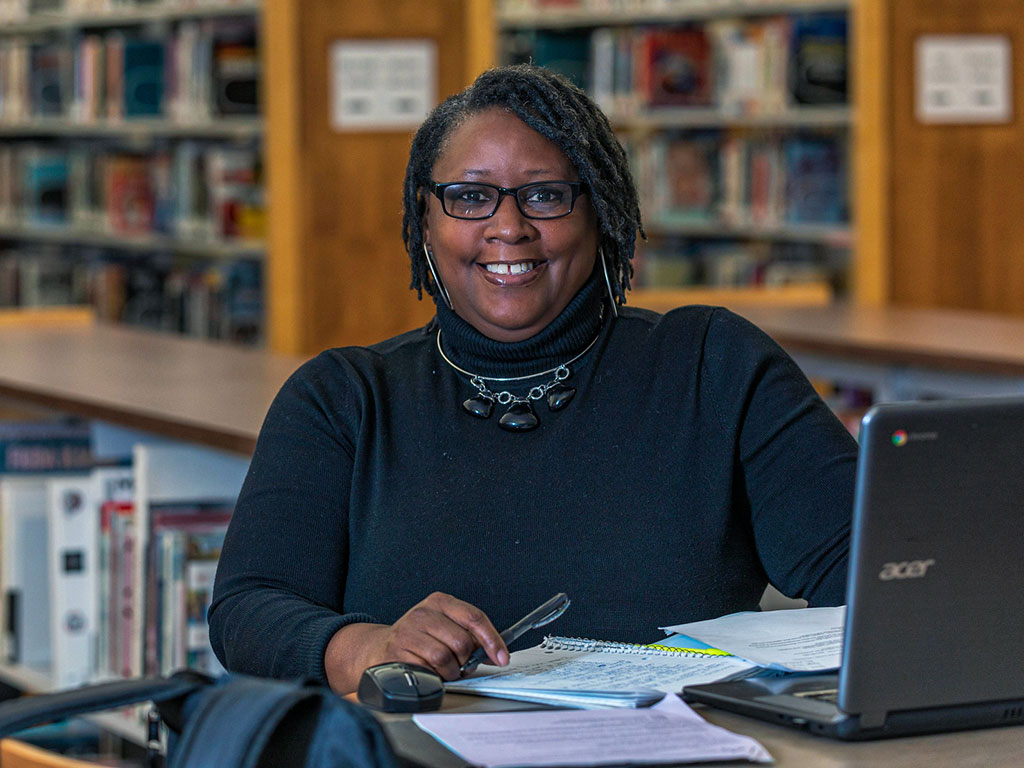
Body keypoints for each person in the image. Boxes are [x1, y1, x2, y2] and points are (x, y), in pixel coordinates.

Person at [208, 64, 857, 694]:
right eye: (470, 197)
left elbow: (868, 568)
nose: (509, 227)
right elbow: (248, 610)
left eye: (545, 195)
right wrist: (367, 647)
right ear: (425, 221)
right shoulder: (342, 399)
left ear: (598, 210)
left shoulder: (713, 366)